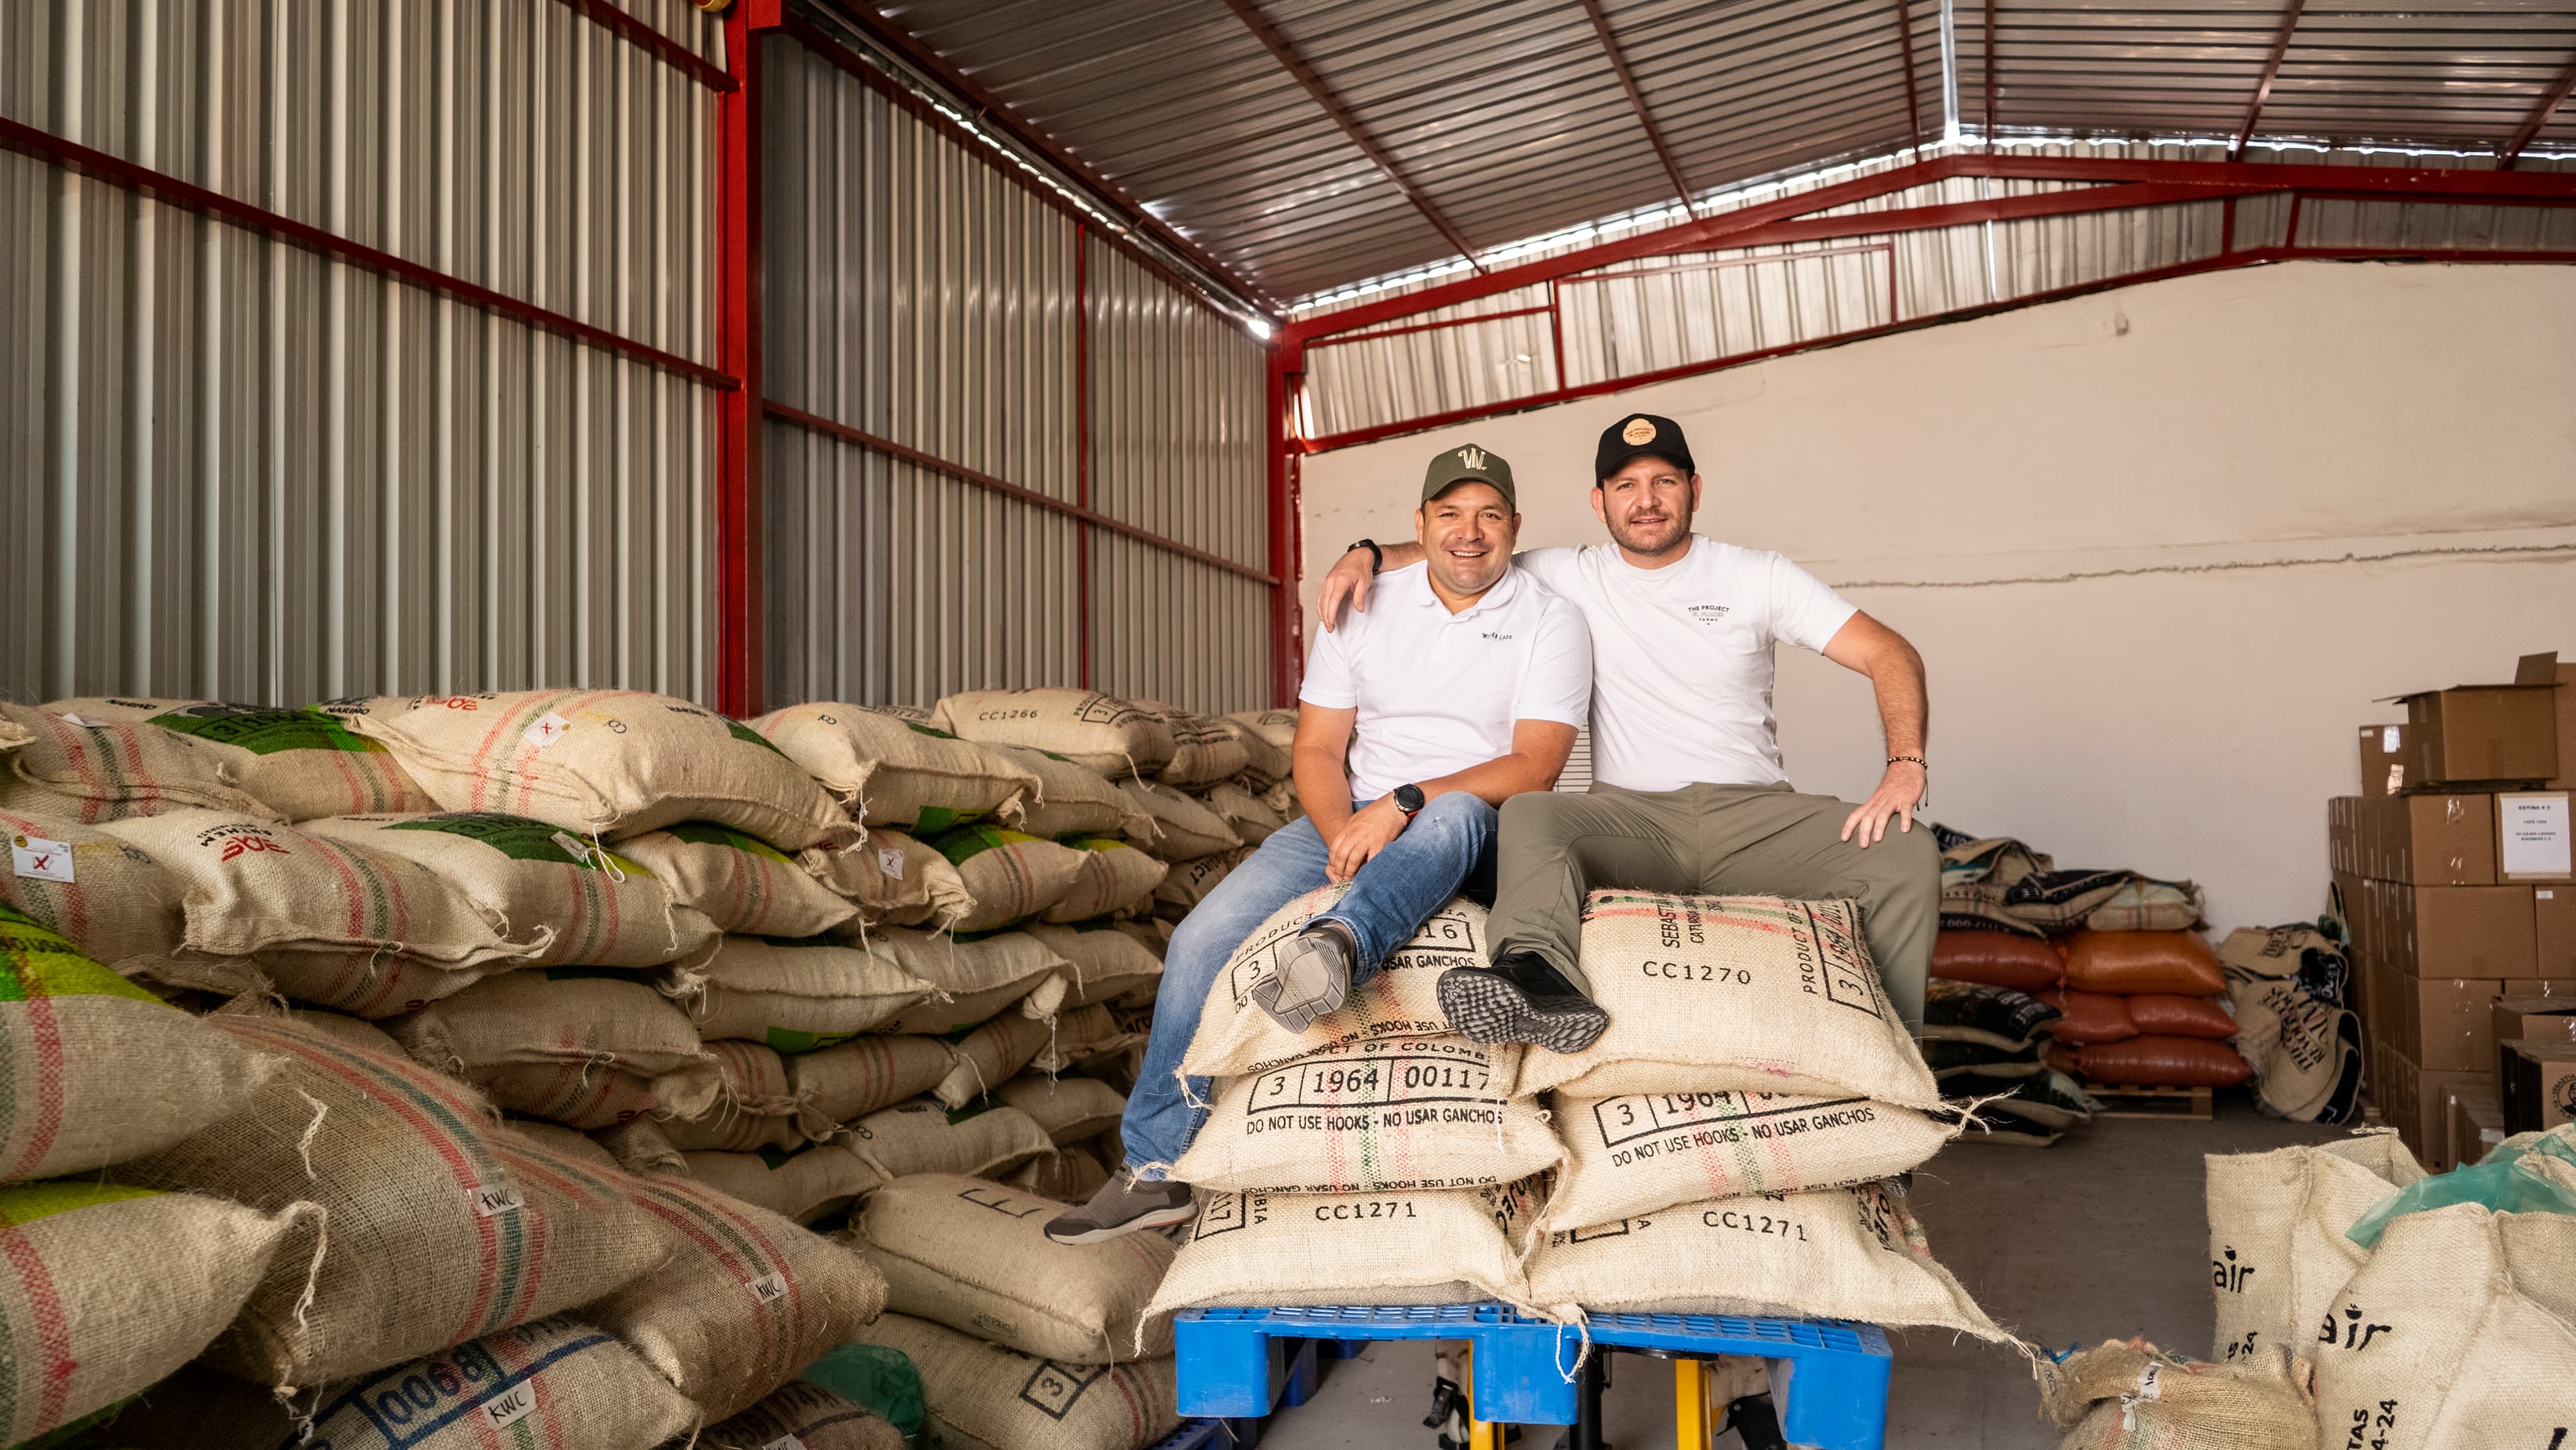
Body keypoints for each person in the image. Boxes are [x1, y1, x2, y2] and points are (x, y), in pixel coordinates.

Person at [1044, 443, 1592, 1245]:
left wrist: (1399, 807)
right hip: (1351, 814)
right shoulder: (1367, 606)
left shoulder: (1550, 618)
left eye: (1488, 516)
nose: (1468, 533)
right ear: (1421, 524)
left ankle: (1338, 946)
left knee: (1457, 814)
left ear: (1514, 527)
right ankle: (1156, 1167)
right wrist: (1347, 837)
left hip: (1475, 817)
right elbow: (1316, 750)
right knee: (1200, 938)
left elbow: (1534, 765)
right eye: (1450, 514)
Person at [1314, 413, 1937, 1052]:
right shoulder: (1568, 573)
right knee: (1532, 810)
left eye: (1664, 481)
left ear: (1695, 489)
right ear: (1599, 501)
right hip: (1632, 820)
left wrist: (1905, 763)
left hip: (1755, 816)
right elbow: (1465, 549)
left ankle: (1896, 1064)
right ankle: (1535, 976)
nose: (1646, 500)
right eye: (1625, 485)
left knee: (1908, 853)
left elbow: (1889, 653)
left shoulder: (1759, 575)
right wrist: (1365, 553)